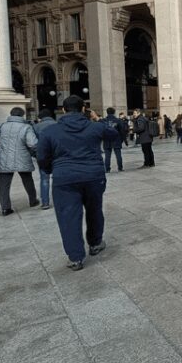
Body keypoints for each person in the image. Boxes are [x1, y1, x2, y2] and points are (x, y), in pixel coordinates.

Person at [37, 96, 112, 271]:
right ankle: (95, 243)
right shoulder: (95, 127)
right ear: (84, 109)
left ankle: (76, 257)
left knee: (68, 216)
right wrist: (97, 118)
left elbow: (41, 156)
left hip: (65, 178)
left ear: (63, 110)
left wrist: (50, 170)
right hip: (93, 176)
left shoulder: (50, 131)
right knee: (94, 210)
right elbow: (115, 133)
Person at [0, 107, 39, 216]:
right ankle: (33, 200)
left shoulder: (2, 126)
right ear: (22, 115)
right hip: (22, 157)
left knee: (3, 184)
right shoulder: (26, 127)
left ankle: (5, 208)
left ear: (11, 114)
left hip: (4, 158)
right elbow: (33, 144)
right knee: (27, 180)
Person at [33, 108, 57, 209]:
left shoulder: (36, 126)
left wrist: (35, 153)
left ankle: (45, 203)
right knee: (57, 178)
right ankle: (59, 200)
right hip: (57, 153)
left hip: (43, 155)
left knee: (44, 179)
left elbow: (33, 142)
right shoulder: (57, 124)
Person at [101, 107, 126, 172]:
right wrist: (123, 139)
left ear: (107, 112)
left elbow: (101, 131)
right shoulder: (118, 120)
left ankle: (107, 169)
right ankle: (120, 168)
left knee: (107, 156)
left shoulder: (104, 120)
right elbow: (122, 131)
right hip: (116, 139)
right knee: (118, 155)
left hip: (107, 140)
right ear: (114, 112)